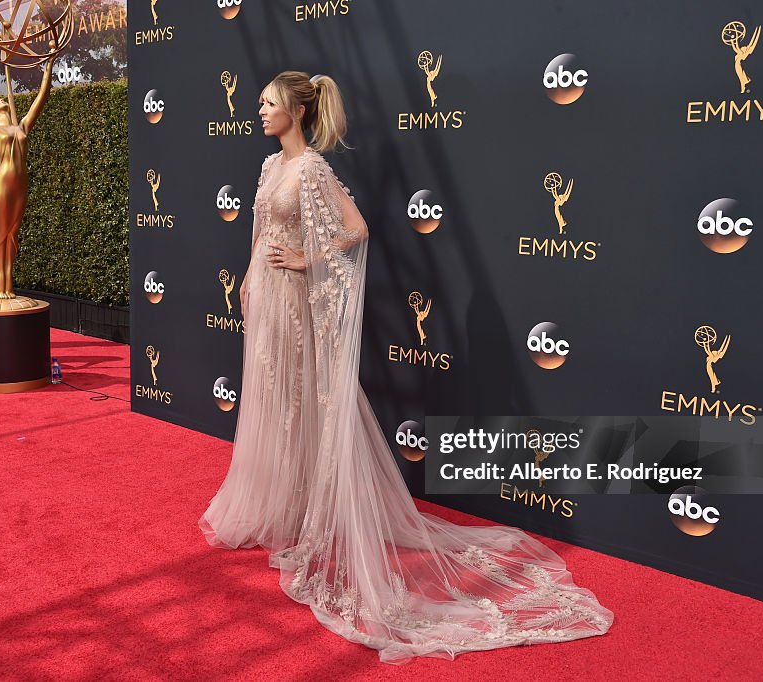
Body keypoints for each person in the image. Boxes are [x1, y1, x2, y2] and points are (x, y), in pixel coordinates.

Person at [200, 72, 612, 663]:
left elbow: (356, 229)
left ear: (295, 109)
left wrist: (304, 257)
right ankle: (280, 507)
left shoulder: (312, 168)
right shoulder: (269, 169)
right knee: (271, 399)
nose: (259, 111)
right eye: (260, 103)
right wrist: (246, 280)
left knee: (302, 399)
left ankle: (314, 513)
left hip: (294, 298)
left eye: (268, 104)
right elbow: (259, 228)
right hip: (265, 298)